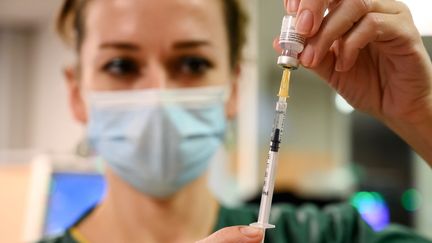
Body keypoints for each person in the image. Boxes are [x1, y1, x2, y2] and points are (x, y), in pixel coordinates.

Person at [38, 0, 432, 242]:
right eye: (120, 64)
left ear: (233, 88)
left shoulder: (327, 237)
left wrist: (420, 112)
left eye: (192, 63)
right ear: (77, 93)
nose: (159, 93)